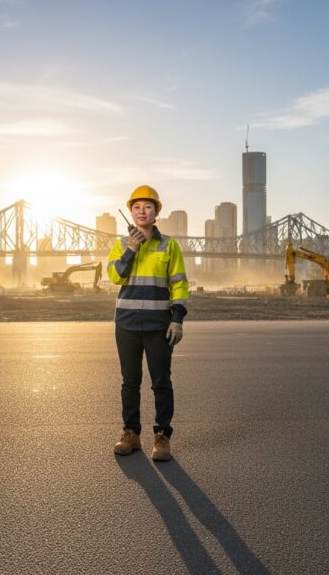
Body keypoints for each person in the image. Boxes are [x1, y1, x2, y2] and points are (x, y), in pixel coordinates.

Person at [107, 185, 189, 461]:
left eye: (148, 207)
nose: (142, 211)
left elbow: (179, 284)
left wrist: (177, 320)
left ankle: (162, 436)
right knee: (130, 382)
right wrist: (130, 250)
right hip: (127, 323)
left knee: (161, 382)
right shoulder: (120, 245)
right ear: (130, 212)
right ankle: (131, 433)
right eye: (137, 207)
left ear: (156, 213)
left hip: (158, 325)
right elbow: (115, 277)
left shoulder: (169, 245)